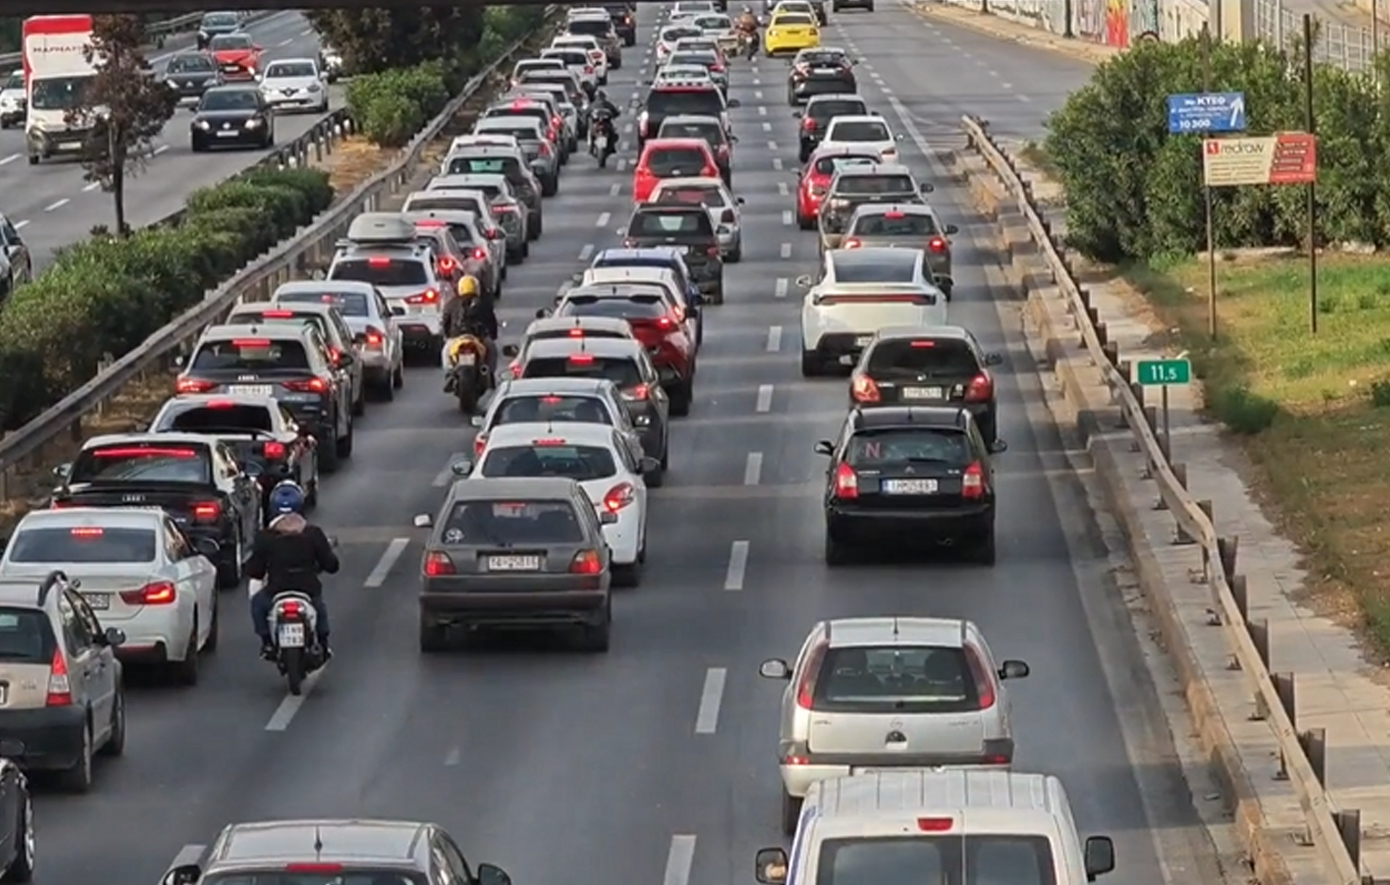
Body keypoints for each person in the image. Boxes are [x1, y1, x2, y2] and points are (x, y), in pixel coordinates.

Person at [246, 480, 339, 660]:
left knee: (257, 605)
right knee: (320, 609)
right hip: (308, 590)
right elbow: (332, 565)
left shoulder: (265, 537)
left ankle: (266, 643)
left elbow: (255, 570)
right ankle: (323, 645)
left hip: (275, 591)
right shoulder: (313, 533)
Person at [441, 274, 499, 379]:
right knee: (492, 349)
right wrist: (493, 335)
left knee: (446, 351)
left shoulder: (451, 303)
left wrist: (447, 335)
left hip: (457, 336)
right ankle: (490, 374)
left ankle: (449, 372)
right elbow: (491, 321)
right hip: (478, 336)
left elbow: (445, 321)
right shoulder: (483, 303)